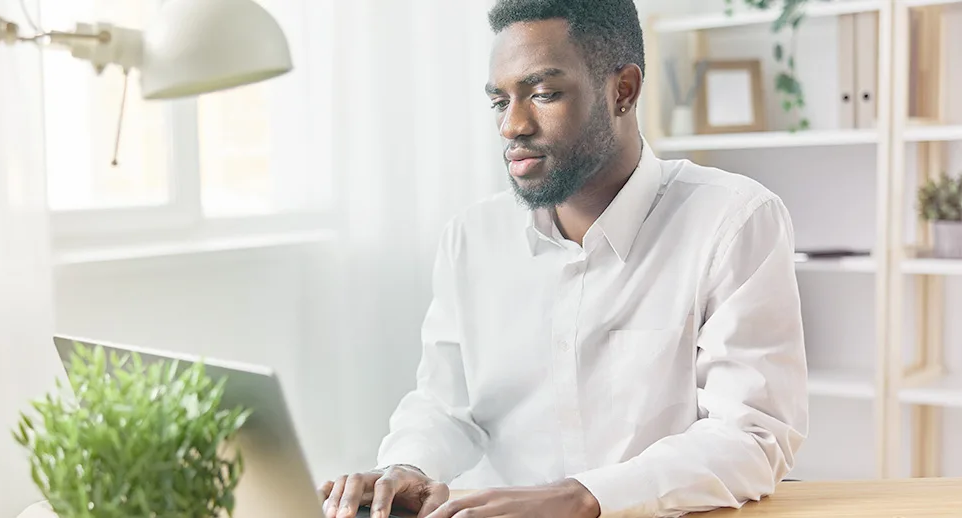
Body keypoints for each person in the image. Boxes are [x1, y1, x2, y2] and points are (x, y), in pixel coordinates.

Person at [319, 0, 809, 517]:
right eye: (499, 101)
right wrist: (408, 466)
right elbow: (447, 404)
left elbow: (751, 437)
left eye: (544, 94)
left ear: (623, 90)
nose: (512, 125)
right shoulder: (472, 237)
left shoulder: (733, 220)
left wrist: (584, 497)